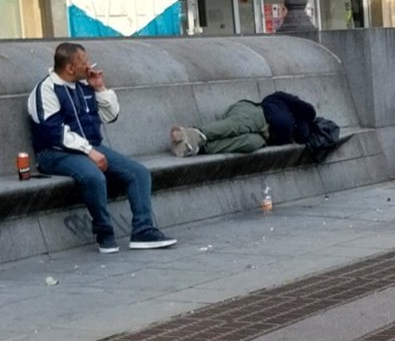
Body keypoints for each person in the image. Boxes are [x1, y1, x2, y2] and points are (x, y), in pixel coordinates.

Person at [28, 42, 177, 255]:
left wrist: (100, 88)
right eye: (83, 62)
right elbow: (54, 133)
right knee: (93, 176)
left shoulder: (84, 86)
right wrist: (89, 151)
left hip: (90, 148)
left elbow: (111, 116)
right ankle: (104, 233)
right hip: (54, 152)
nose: (89, 66)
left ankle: (143, 231)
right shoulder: (46, 90)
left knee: (139, 173)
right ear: (69, 68)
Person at [170, 91, 320, 157]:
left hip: (264, 138)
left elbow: (303, 136)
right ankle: (193, 133)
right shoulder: (280, 100)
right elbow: (310, 111)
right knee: (238, 126)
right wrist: (305, 117)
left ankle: (198, 148)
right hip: (257, 114)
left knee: (248, 144)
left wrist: (303, 123)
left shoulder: (300, 125)